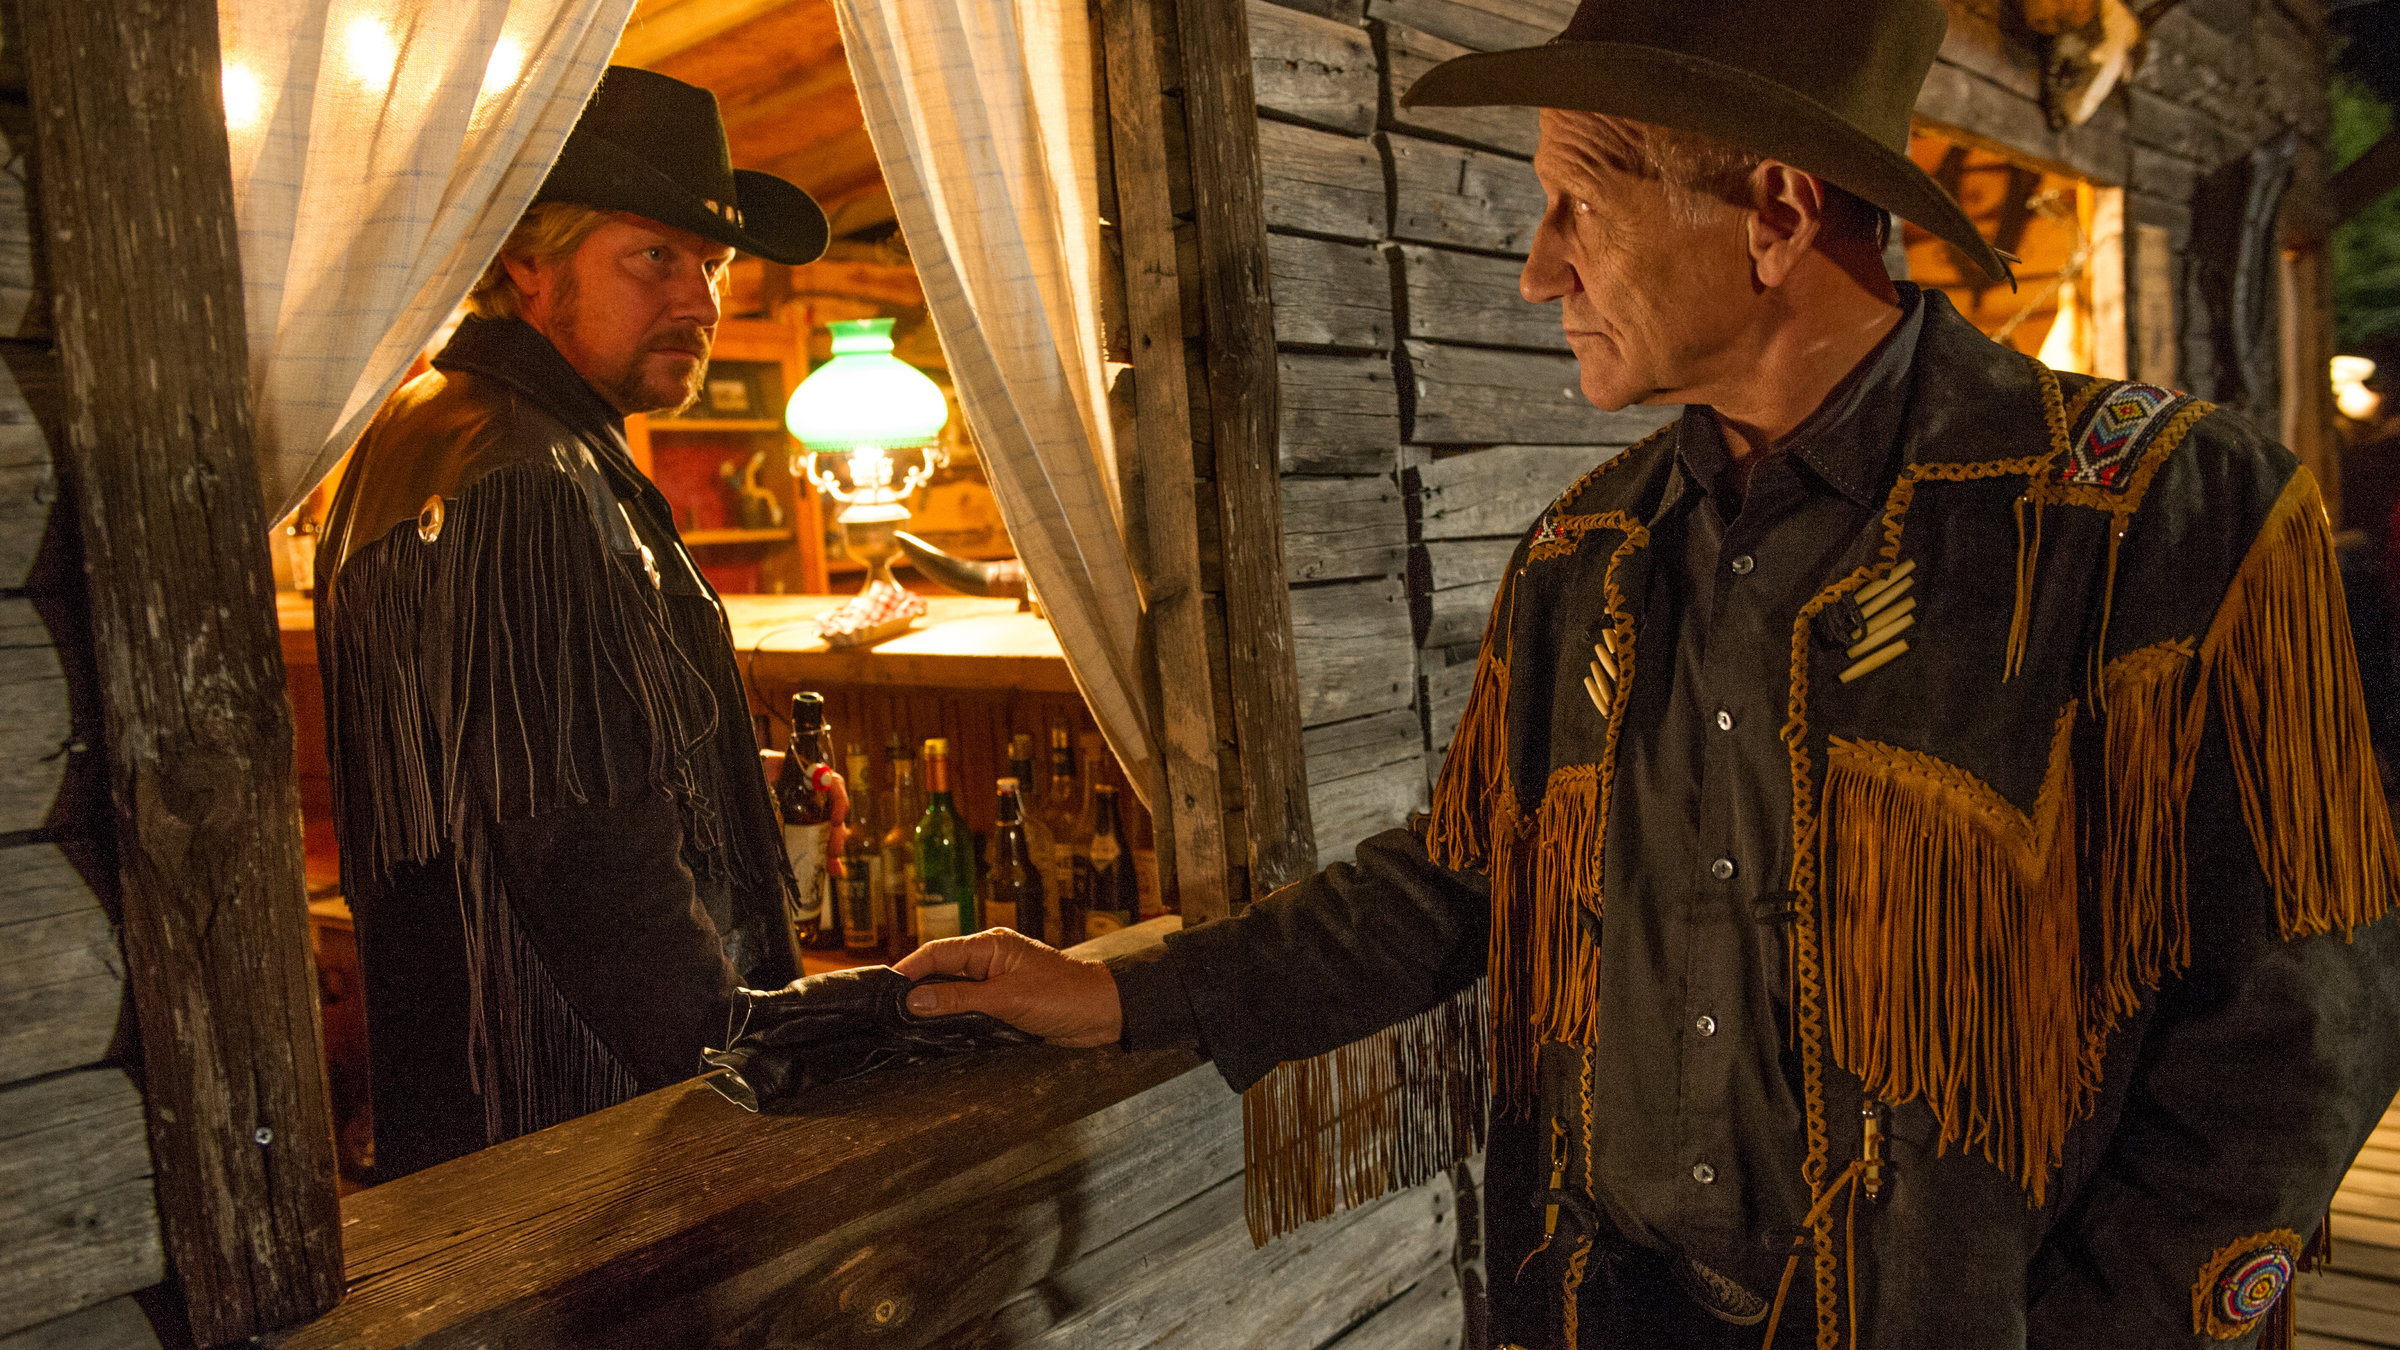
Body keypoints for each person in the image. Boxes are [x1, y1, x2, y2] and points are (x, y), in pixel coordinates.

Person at [894, 1, 2400, 1345]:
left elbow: (2300, 1027)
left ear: (1776, 212)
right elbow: (1456, 881)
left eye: (1577, 207)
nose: (1542, 267)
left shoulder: (2162, 513)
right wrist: (1125, 993)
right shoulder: (1588, 551)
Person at [318, 67, 843, 1181]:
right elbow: (590, 860)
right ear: (528, 260)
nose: (701, 302)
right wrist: (751, 1098)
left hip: (502, 1115)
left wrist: (737, 780)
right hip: (582, 1133)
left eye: (712, 264)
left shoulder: (437, 433)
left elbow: (513, 770)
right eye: (654, 256)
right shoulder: (528, 476)